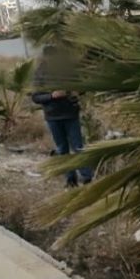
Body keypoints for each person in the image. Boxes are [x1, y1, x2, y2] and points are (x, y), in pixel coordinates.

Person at [31, 45, 94, 188]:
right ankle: (70, 180)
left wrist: (74, 92)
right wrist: (52, 96)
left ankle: (87, 177)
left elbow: (81, 88)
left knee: (78, 147)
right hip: (53, 116)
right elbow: (35, 97)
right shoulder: (40, 73)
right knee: (62, 149)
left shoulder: (68, 70)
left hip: (71, 114)